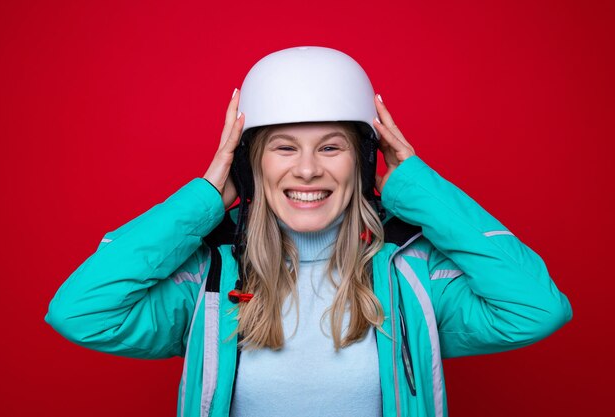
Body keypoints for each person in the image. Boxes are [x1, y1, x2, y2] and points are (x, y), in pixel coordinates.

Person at [45, 46, 573, 417]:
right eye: (283, 147)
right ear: (251, 168)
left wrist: (416, 184)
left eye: (330, 146)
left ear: (363, 166)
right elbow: (81, 313)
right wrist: (205, 197)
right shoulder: (208, 286)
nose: (306, 170)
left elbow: (535, 309)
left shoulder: (414, 282)